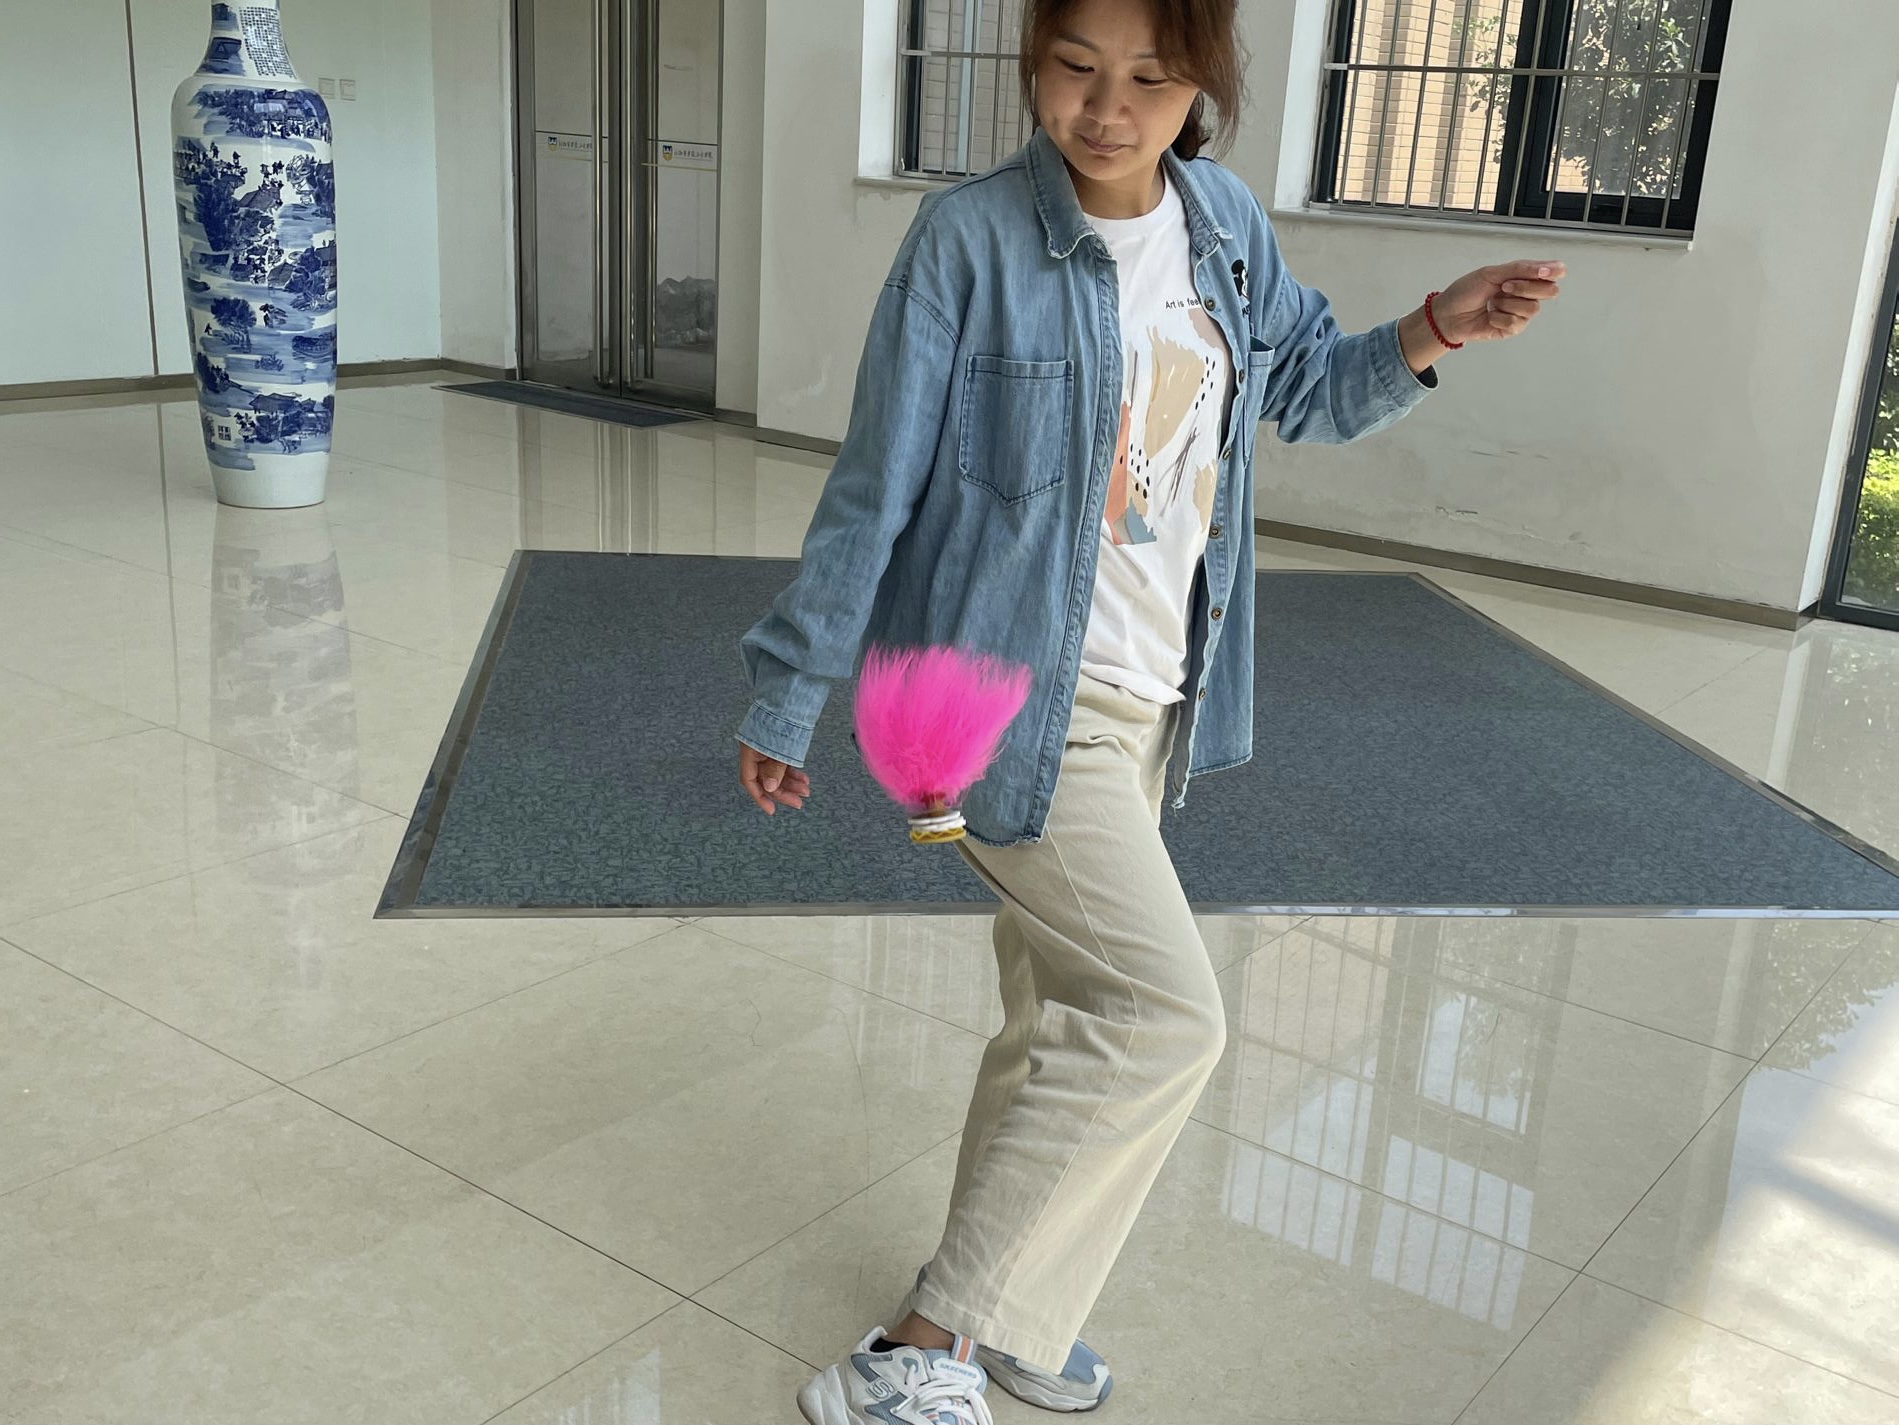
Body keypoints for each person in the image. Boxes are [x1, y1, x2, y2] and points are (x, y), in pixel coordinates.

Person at [737, 1, 1564, 1420]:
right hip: (1003, 699)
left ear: (1202, 91)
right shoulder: (967, 242)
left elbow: (1309, 387)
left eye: (1152, 80)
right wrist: (790, 686)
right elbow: (874, 485)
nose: (1108, 109)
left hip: (1152, 695)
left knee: (1057, 1016)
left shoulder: (1224, 226)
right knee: (1162, 1014)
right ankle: (922, 1344)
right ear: (1033, 63)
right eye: (1076, 68)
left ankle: (1017, 1309)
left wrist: (1440, 326)